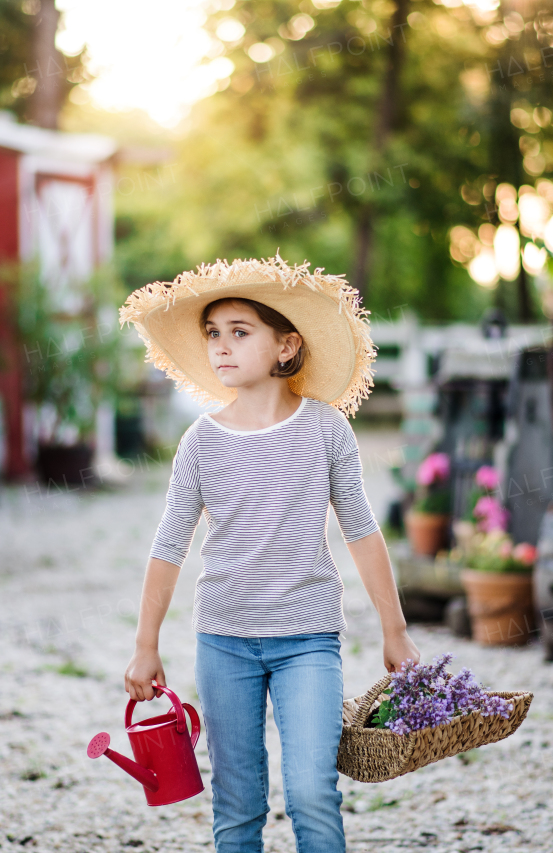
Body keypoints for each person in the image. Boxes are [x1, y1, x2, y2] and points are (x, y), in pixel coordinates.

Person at [118, 256, 421, 853]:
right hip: (223, 643)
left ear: (286, 346)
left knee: (311, 792)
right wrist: (145, 644)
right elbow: (169, 544)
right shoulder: (201, 441)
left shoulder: (326, 430)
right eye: (213, 334)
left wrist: (396, 630)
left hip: (308, 640)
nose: (221, 347)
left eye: (240, 332)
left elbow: (361, 530)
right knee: (237, 806)